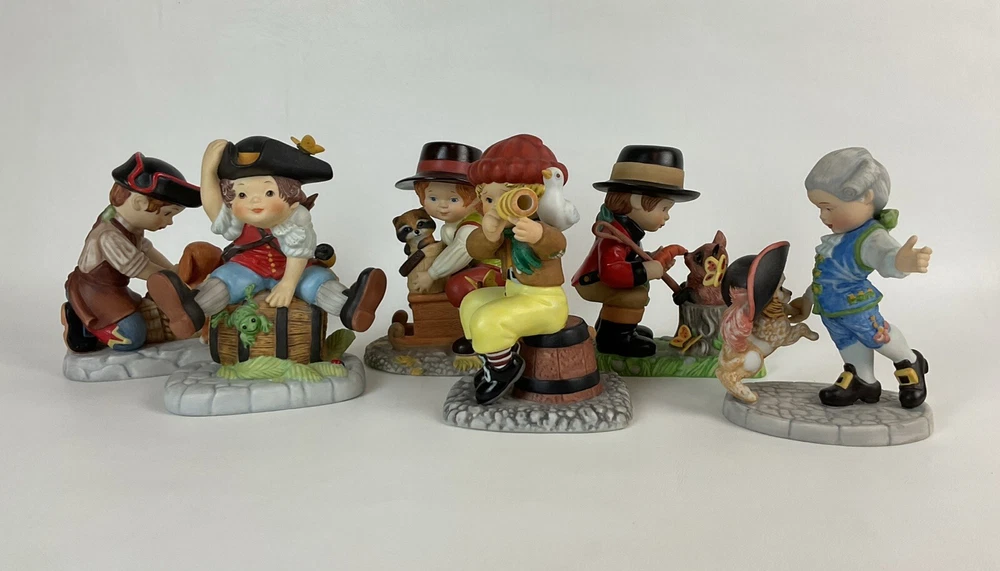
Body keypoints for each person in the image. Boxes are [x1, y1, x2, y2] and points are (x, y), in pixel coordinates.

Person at [148, 136, 386, 338]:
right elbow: (213, 208)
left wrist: (288, 285)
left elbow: (298, 252)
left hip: (293, 270)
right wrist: (208, 172)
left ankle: (351, 307)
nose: (254, 200)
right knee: (224, 281)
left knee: (316, 282)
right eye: (242, 195)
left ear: (291, 197)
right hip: (247, 268)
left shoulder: (297, 219)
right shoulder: (238, 220)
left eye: (269, 192)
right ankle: (190, 312)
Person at [788, 147, 932, 408]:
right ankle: (863, 379)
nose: (823, 216)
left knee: (876, 336)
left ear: (866, 197)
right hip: (831, 309)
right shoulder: (838, 238)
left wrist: (901, 261)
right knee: (847, 342)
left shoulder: (871, 237)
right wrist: (807, 300)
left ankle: (909, 362)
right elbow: (826, 278)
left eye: (829, 207)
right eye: (819, 208)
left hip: (856, 306)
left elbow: (887, 257)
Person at [459, 134, 571, 404]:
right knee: (472, 302)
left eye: (506, 197)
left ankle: (503, 369)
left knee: (489, 319)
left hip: (545, 302)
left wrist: (538, 235)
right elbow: (475, 250)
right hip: (514, 293)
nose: (497, 207)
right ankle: (491, 359)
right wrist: (489, 234)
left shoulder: (539, 228)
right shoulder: (502, 231)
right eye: (489, 199)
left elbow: (557, 246)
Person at [63, 153, 201, 353]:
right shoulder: (109, 236)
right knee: (131, 337)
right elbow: (141, 268)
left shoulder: (130, 226)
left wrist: (172, 269)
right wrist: (173, 280)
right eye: (167, 214)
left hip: (116, 290)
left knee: (146, 314)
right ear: (139, 203)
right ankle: (82, 322)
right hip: (94, 292)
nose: (170, 222)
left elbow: (146, 250)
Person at [572, 145, 698, 357]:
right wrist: (647, 270)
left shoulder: (626, 231)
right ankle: (615, 339)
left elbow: (627, 260)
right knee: (635, 295)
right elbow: (611, 272)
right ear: (637, 201)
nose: (667, 216)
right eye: (664, 208)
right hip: (592, 281)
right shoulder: (614, 236)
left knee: (631, 292)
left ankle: (614, 328)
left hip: (598, 278)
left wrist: (652, 260)